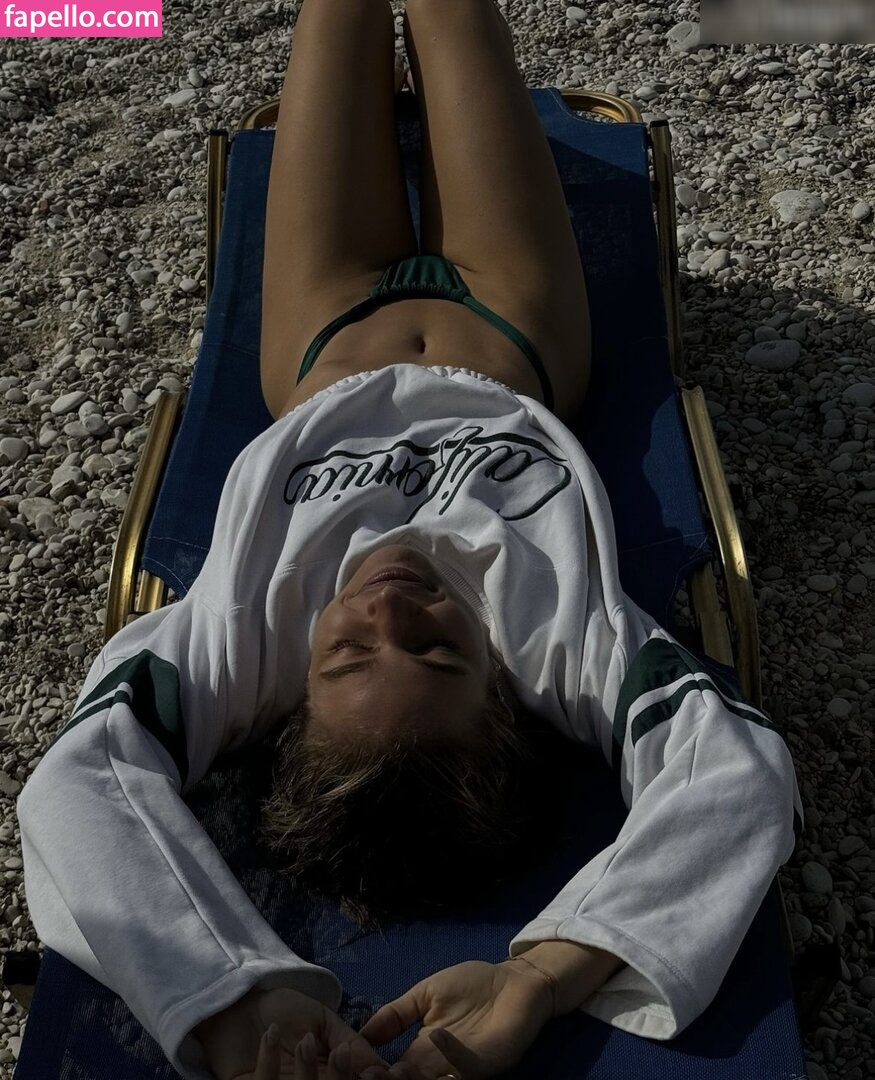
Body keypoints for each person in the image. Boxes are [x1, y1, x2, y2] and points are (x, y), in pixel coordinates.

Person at [16, 1, 804, 1079]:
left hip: (321, 345)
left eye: (347, 652)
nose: (389, 602)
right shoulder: (558, 643)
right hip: (512, 334)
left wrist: (225, 999)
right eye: (436, 648)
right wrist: (542, 976)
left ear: (287, 700)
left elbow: (77, 789)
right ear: (505, 697)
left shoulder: (236, 645)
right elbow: (735, 777)